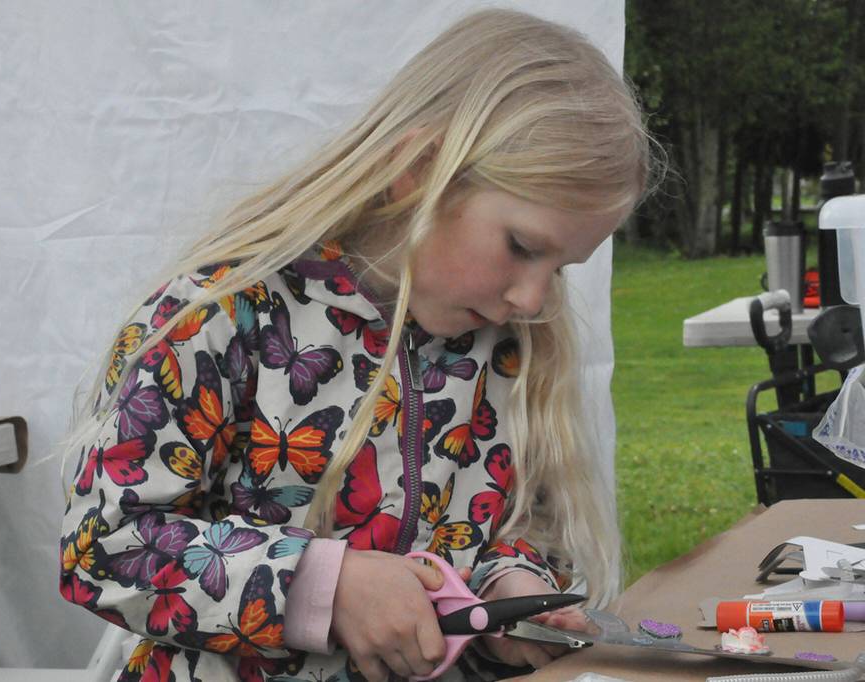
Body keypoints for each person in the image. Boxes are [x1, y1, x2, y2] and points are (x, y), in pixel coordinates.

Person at [59, 8, 657, 682]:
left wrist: (507, 592)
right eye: (521, 247)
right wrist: (326, 587)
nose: (533, 298)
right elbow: (101, 545)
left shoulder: (505, 346)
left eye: (561, 269)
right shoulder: (223, 315)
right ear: (419, 170)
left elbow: (518, 525)